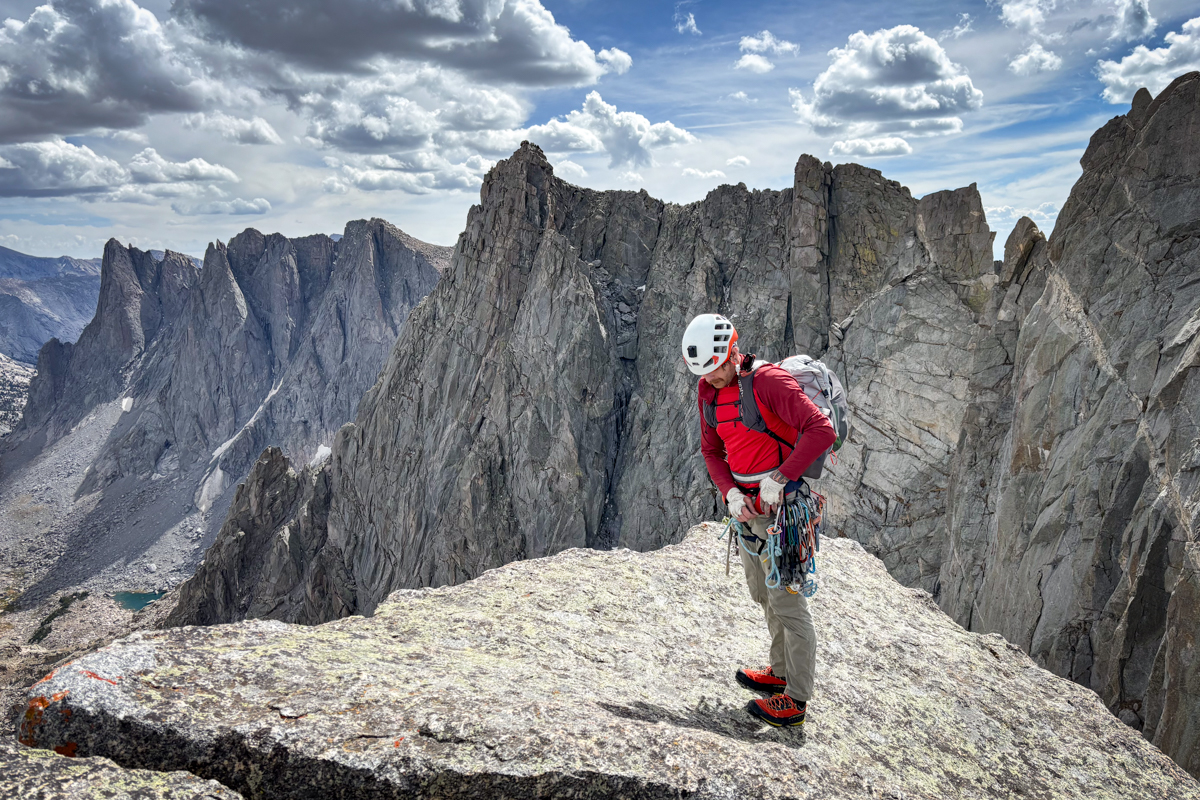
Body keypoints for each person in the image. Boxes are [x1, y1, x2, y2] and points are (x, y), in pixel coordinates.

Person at [682, 312, 836, 727]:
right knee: (764, 594)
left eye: (717, 369)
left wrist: (781, 477)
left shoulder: (768, 382)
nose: (711, 378)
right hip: (748, 509)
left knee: (788, 604)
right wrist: (729, 493)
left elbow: (821, 430)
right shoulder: (708, 392)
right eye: (704, 373)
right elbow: (712, 451)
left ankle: (796, 700)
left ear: (733, 352)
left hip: (784, 511)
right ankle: (779, 673)